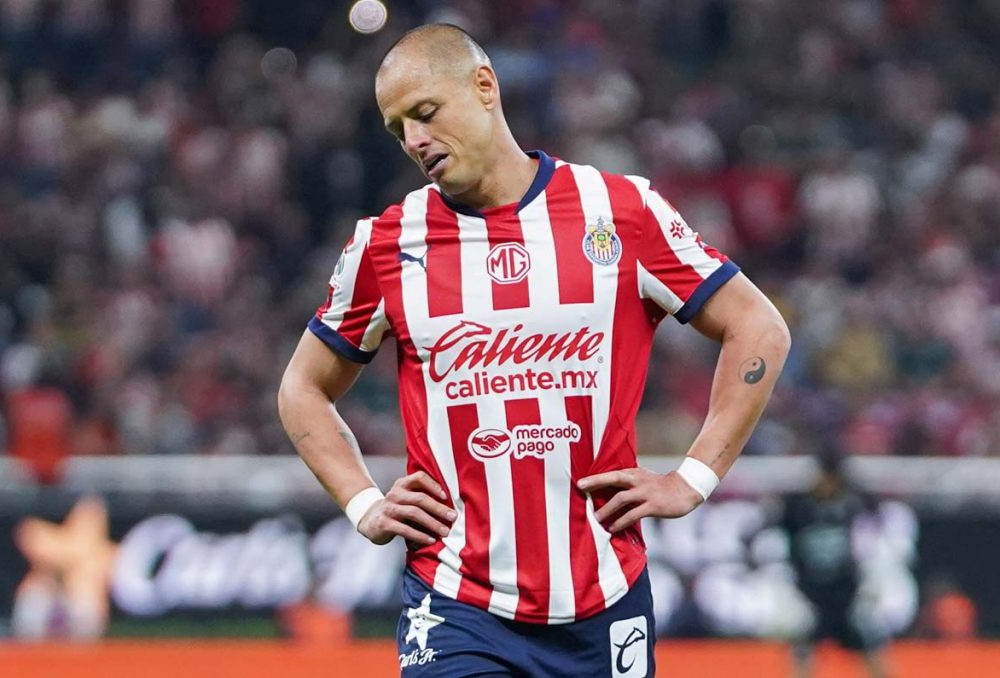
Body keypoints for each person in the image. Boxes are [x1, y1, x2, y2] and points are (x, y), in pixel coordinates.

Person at [278, 23, 790, 678]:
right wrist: (363, 503)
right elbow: (302, 388)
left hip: (605, 597)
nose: (415, 140)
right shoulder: (387, 244)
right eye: (398, 128)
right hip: (455, 602)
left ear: (484, 86)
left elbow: (759, 329)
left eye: (425, 113)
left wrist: (693, 478)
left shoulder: (621, 211)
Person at [782, 453, 890, 678]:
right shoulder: (798, 508)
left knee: (870, 646)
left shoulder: (853, 505)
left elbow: (869, 540)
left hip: (846, 593)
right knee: (802, 649)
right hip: (811, 593)